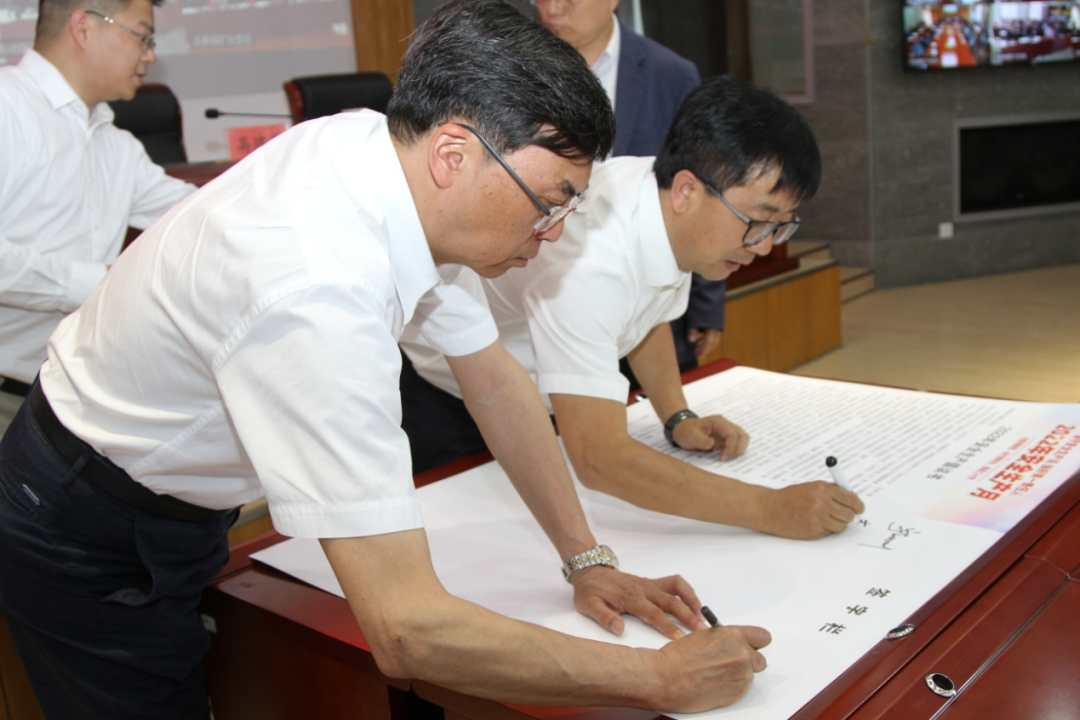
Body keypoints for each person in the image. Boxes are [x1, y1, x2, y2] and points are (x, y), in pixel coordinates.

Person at [0, 1, 771, 717]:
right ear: (454, 154)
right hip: (84, 520)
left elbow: (494, 382)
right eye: (549, 201)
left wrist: (586, 560)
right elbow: (406, 630)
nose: (557, 232)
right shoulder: (316, 290)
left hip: (174, 497)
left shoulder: (385, 158)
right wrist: (656, 678)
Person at [402, 75, 866, 539]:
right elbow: (599, 457)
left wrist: (677, 416)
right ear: (686, 191)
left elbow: (645, 316)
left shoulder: (666, 202)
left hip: (549, 397)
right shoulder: (590, 264)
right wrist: (770, 508)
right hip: (457, 404)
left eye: (780, 227)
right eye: (758, 222)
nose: (763, 246)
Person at [0, 0, 196, 434]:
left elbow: (200, 215)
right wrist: (98, 283)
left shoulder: (116, 145)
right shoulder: (6, 107)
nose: (150, 55)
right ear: (83, 27)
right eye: (142, 36)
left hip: (74, 402)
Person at [532, 0, 727, 373]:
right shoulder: (518, 66)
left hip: (644, 303)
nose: (553, 9)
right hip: (544, 296)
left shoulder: (670, 74)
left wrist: (706, 305)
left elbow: (702, 185)